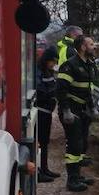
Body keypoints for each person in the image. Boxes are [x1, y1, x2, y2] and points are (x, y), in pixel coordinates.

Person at [56, 35, 98, 191]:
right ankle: (72, 181)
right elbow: (61, 90)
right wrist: (66, 111)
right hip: (71, 110)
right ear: (82, 47)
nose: (94, 46)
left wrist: (92, 107)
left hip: (82, 110)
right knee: (74, 145)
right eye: (91, 44)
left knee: (81, 145)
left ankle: (78, 176)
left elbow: (87, 90)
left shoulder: (88, 64)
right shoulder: (70, 65)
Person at [36, 47, 61, 182]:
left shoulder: (48, 72)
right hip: (40, 112)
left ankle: (45, 168)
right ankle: (39, 171)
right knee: (40, 142)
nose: (54, 64)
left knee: (45, 142)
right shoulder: (38, 72)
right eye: (53, 61)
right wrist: (53, 94)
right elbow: (40, 91)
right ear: (47, 59)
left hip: (47, 112)